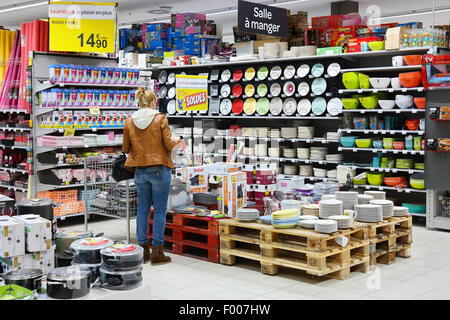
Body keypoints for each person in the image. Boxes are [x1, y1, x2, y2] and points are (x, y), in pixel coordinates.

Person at [122, 87, 180, 265]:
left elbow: (125, 149)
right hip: (159, 169)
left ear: (139, 102)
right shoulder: (160, 118)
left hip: (139, 170)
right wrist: (178, 140)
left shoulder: (129, 121)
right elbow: (169, 143)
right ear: (154, 102)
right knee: (160, 211)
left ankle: (143, 251)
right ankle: (157, 252)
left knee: (142, 210)